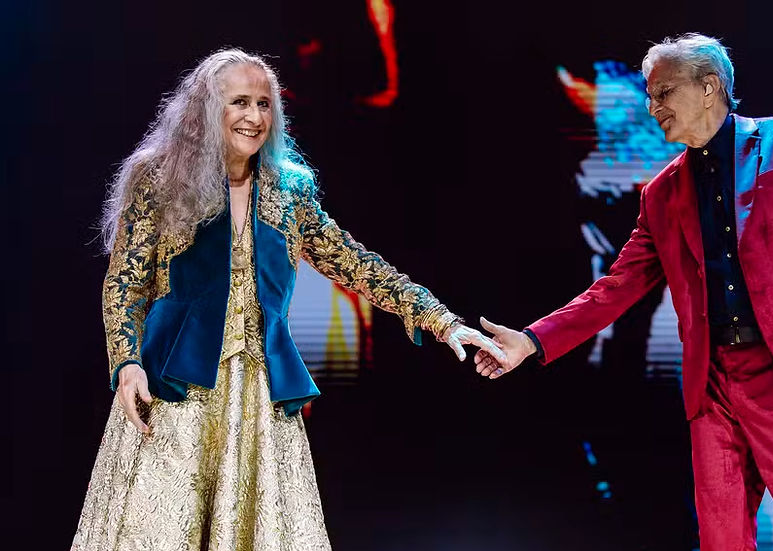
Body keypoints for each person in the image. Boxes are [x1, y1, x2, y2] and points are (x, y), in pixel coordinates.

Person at [72, 48, 505, 551]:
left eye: (263, 103)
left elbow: (355, 262)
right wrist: (125, 363)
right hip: (173, 392)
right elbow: (125, 282)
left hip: (258, 395)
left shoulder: (288, 189)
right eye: (239, 102)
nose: (254, 117)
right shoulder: (158, 179)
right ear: (208, 109)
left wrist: (441, 320)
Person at [474, 33, 773, 550]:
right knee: (720, 541)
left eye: (663, 93)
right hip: (714, 385)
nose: (653, 108)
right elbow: (614, 288)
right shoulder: (662, 193)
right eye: (650, 97)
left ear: (710, 87)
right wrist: (534, 341)